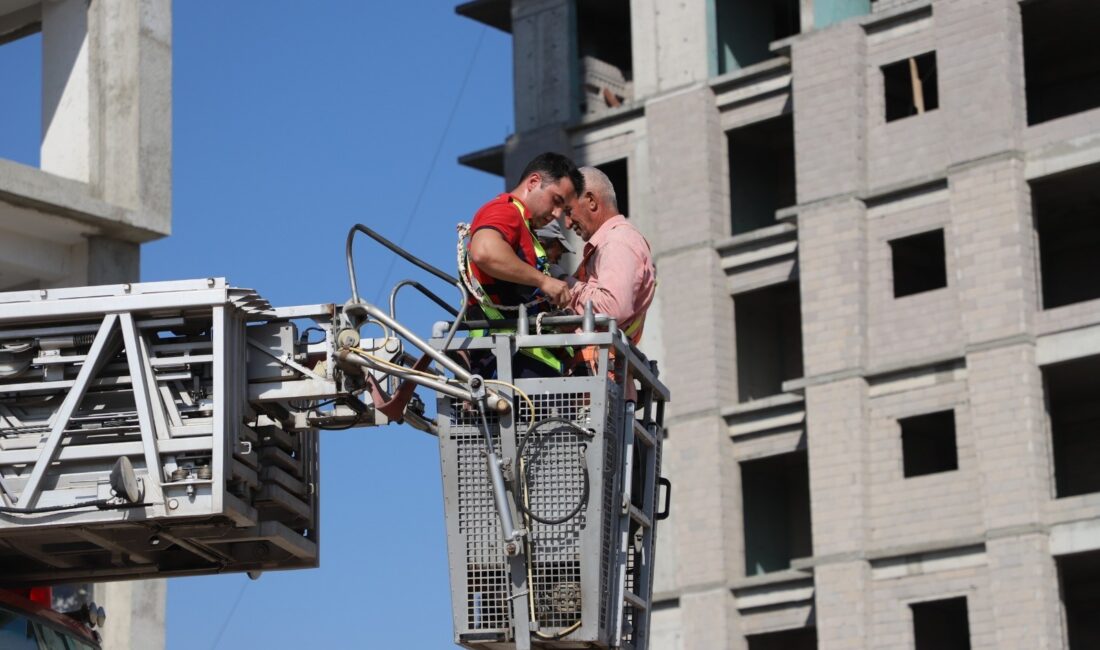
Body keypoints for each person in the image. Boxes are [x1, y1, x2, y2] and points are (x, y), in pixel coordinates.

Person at [464, 152, 585, 377]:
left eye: (563, 208)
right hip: (508, 364)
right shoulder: (506, 210)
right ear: (533, 182)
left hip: (523, 363)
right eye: (556, 201)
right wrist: (543, 280)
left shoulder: (525, 227)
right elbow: (484, 251)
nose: (557, 214)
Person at [564, 166, 656, 380]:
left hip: (602, 387)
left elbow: (612, 307)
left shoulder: (618, 241)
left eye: (569, 211)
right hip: (598, 383)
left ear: (592, 201)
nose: (567, 223)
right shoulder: (610, 243)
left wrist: (564, 285)